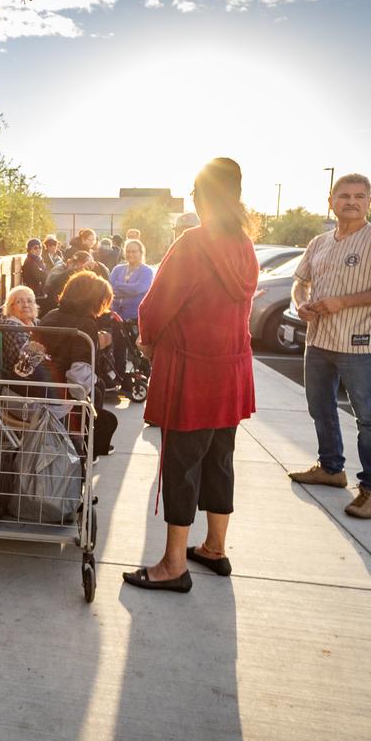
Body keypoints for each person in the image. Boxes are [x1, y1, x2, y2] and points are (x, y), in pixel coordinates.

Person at [122, 158, 257, 593]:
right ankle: (215, 547)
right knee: (220, 458)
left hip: (193, 369)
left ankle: (173, 565)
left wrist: (147, 340)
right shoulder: (246, 245)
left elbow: (157, 304)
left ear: (200, 197)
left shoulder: (194, 243)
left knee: (181, 464)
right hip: (232, 368)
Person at [287, 173, 371, 519]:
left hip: (358, 345)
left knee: (368, 417)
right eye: (344, 196)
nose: (351, 202)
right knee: (320, 408)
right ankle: (330, 469)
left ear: (369, 202)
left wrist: (344, 302)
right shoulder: (319, 242)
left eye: (359, 196)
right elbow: (301, 282)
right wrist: (301, 303)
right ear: (331, 202)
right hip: (319, 341)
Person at [37, 271, 120, 455]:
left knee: (97, 386)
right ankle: (87, 447)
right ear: (94, 300)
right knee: (97, 388)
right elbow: (79, 377)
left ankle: (89, 442)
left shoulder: (50, 315)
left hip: (34, 389)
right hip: (58, 397)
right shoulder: (86, 325)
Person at [110, 238, 153, 322]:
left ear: (141, 253)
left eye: (134, 252)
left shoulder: (147, 271)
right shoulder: (117, 269)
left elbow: (137, 289)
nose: (130, 254)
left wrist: (118, 284)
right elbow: (110, 289)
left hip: (135, 317)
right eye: (128, 252)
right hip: (115, 316)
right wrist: (130, 292)